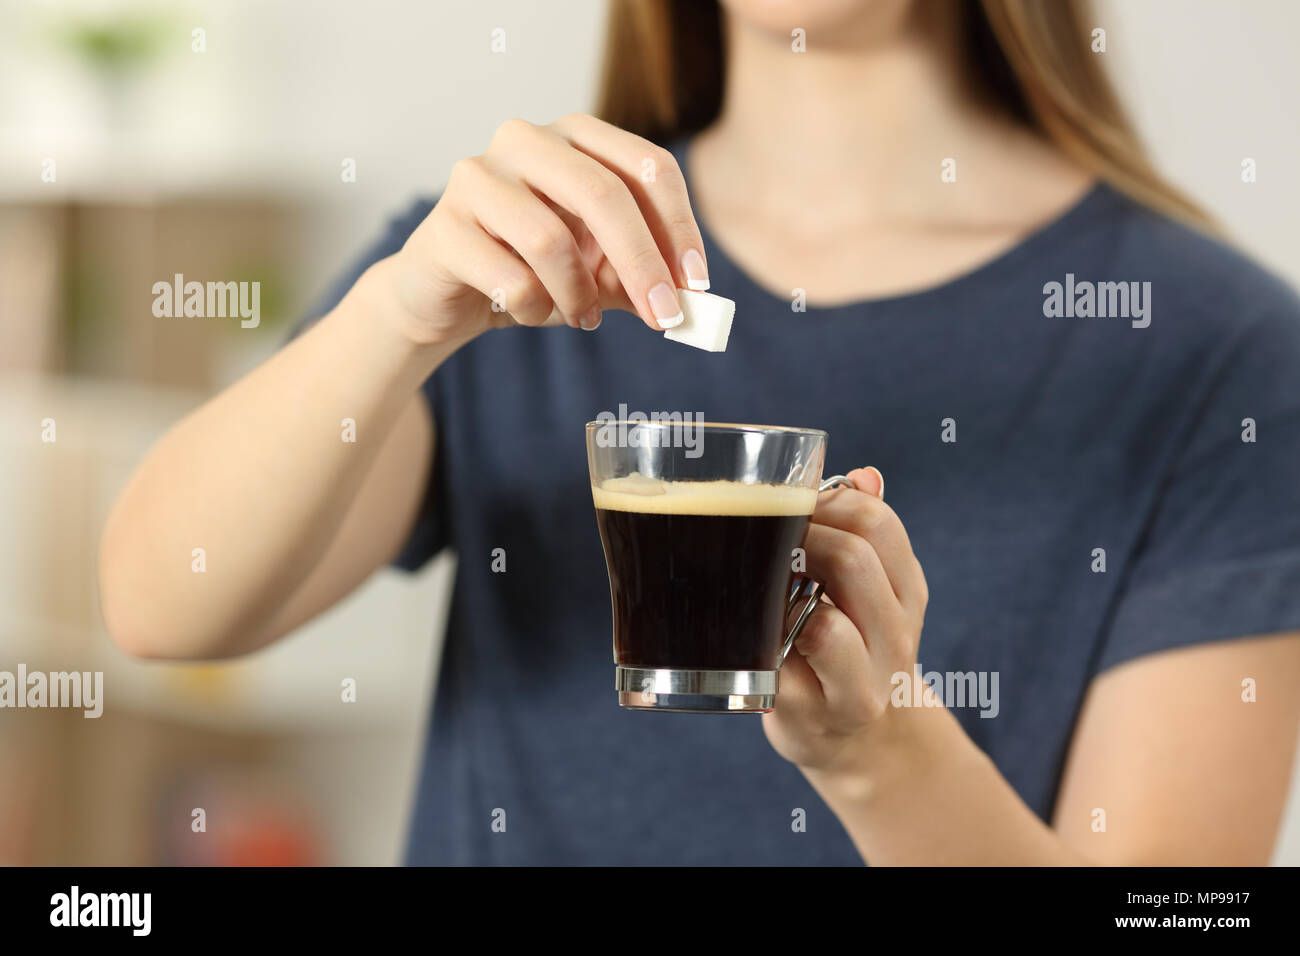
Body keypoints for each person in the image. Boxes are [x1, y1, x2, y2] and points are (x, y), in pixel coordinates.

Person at [98, 0, 1300, 865]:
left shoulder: (1218, 346)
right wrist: (396, 316)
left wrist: (876, 749)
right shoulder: (509, 263)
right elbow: (161, 603)